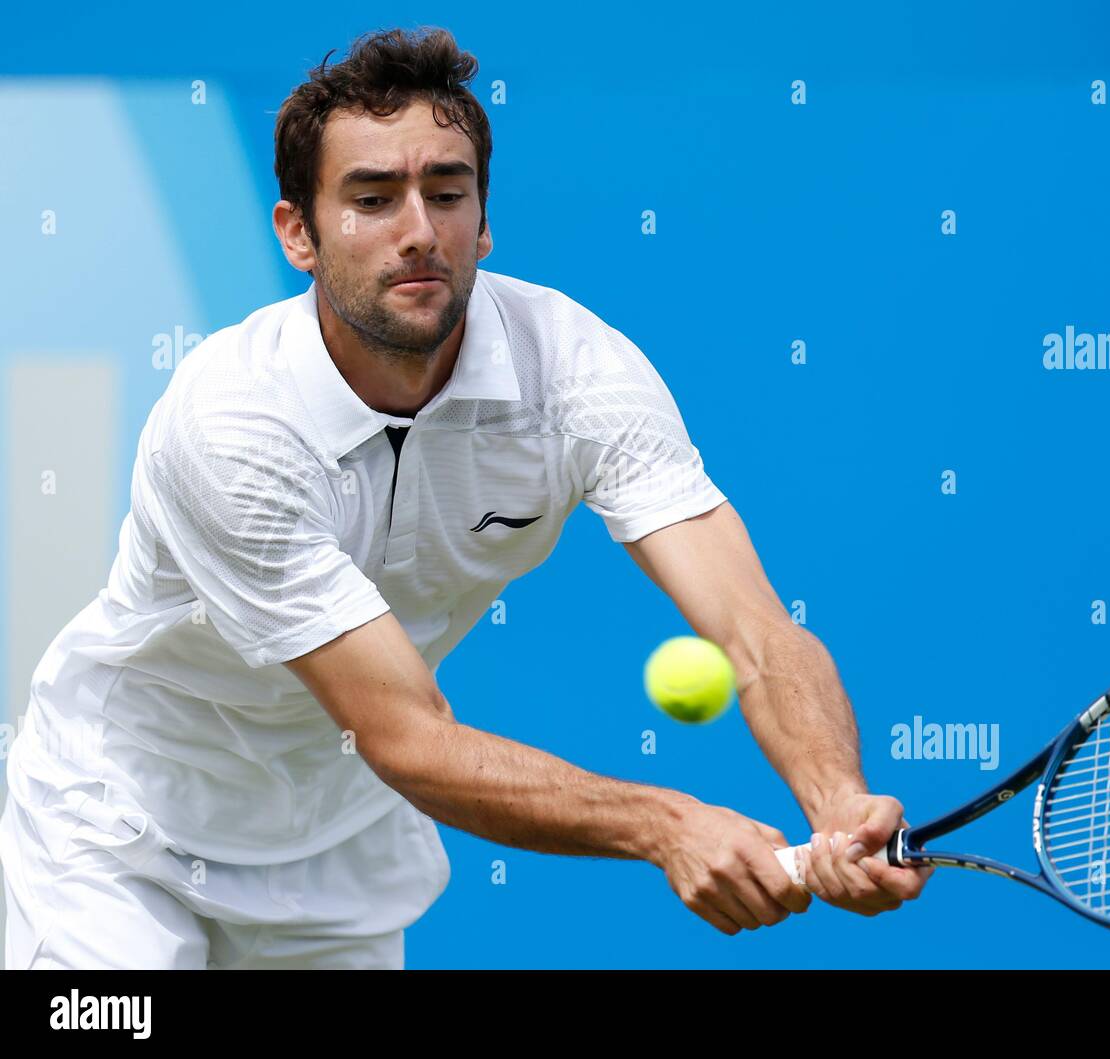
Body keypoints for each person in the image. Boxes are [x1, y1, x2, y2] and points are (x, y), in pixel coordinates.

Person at [0, 26, 930, 970]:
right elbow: (404, 734)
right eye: (371, 199)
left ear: (482, 221)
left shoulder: (575, 371)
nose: (418, 230)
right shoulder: (230, 425)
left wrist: (837, 800)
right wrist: (665, 822)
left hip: (340, 847)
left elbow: (755, 629)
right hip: (121, 833)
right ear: (298, 234)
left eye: (447, 194)